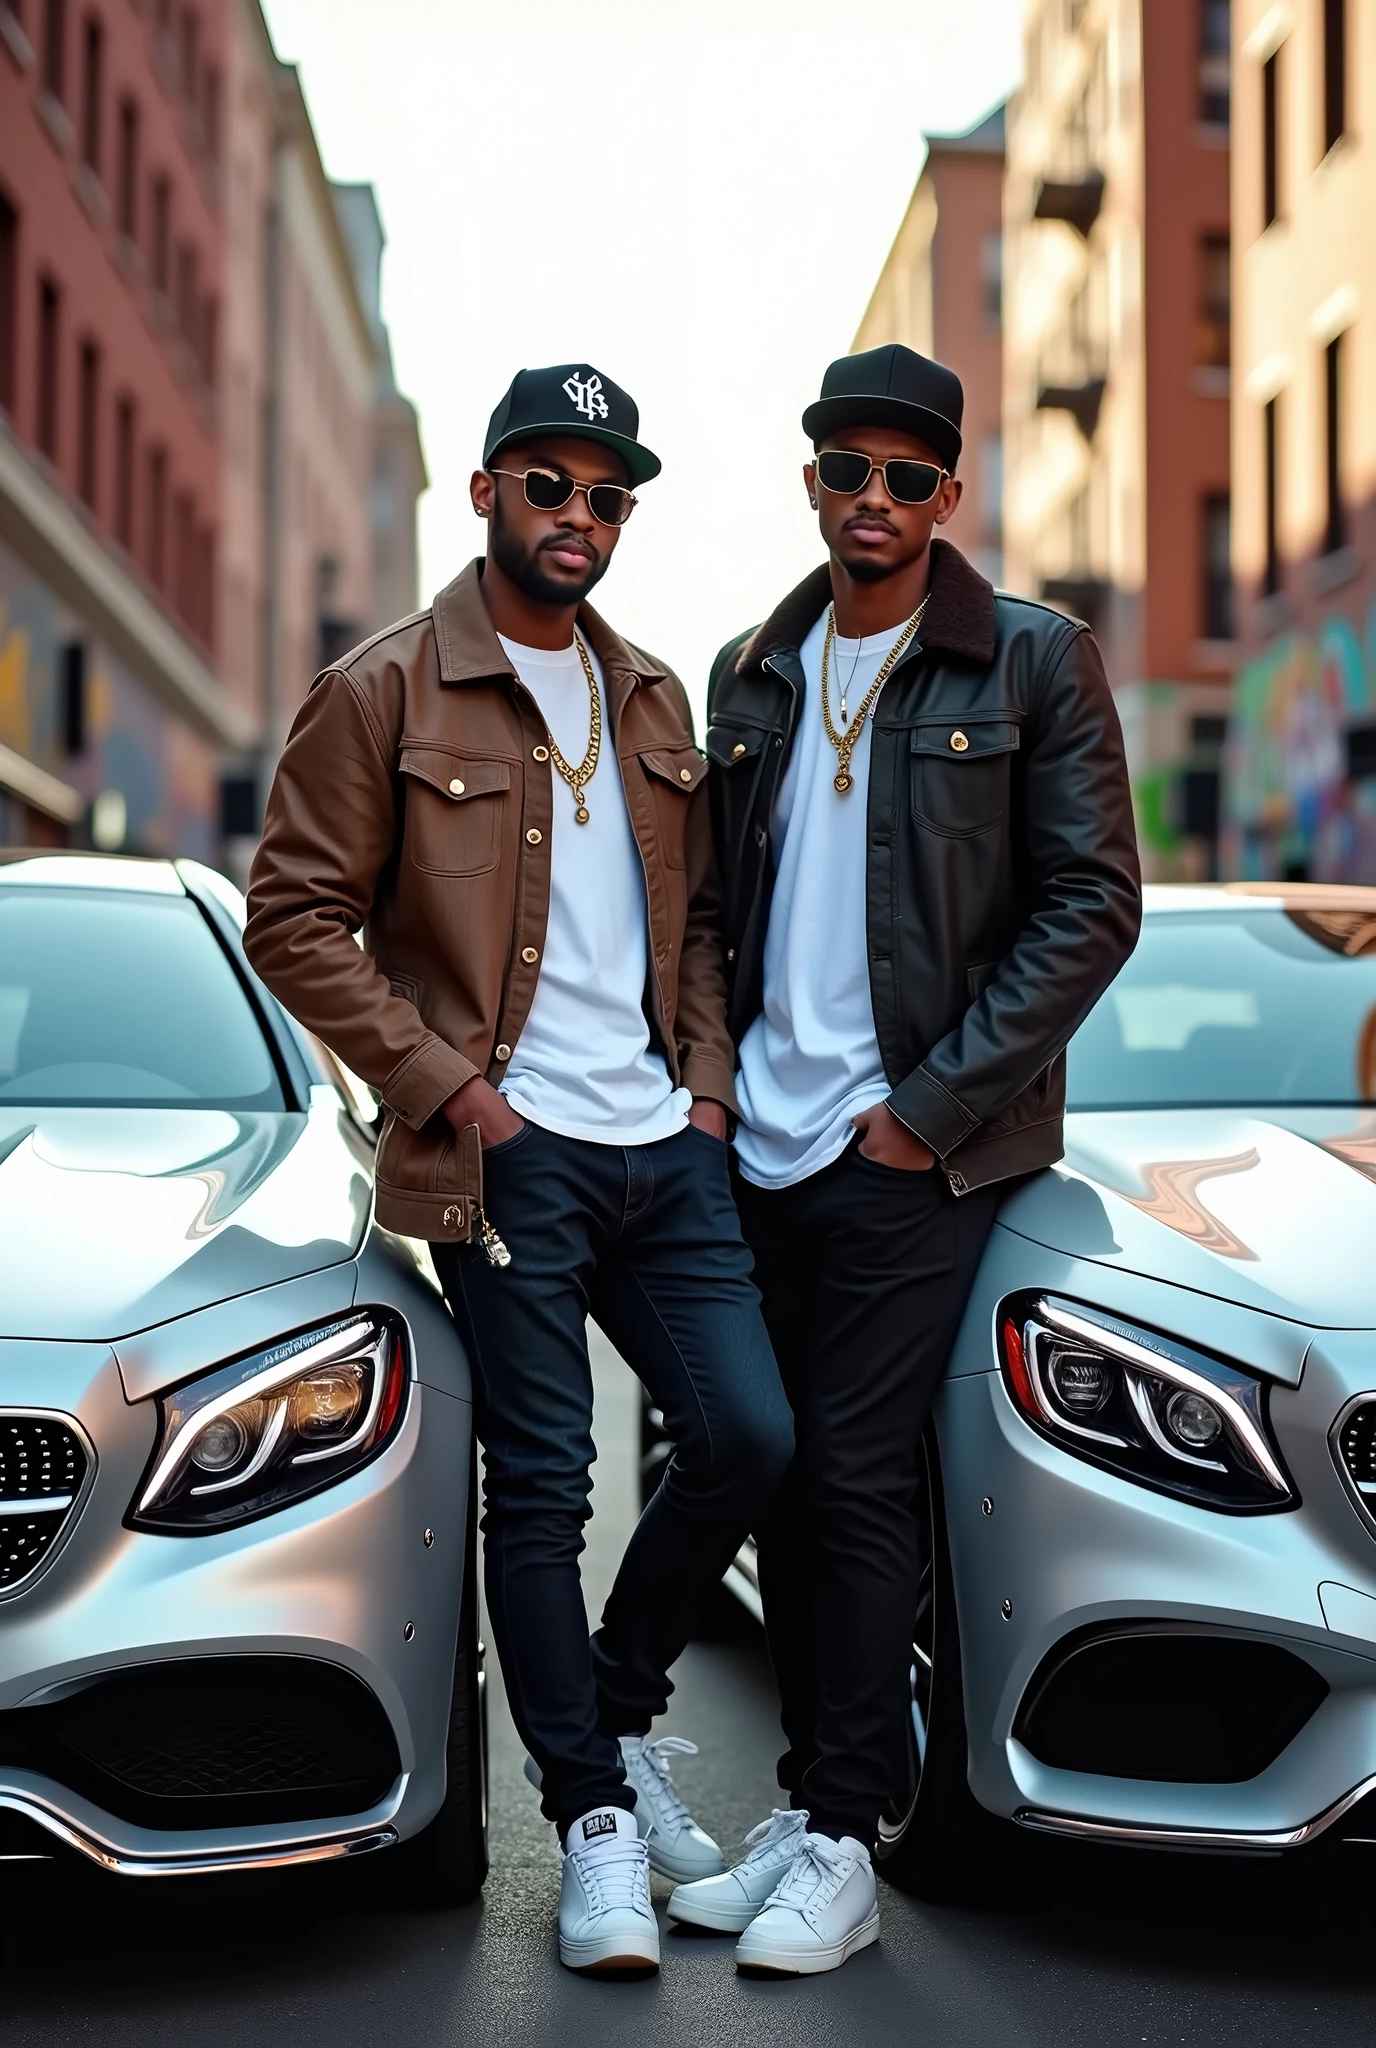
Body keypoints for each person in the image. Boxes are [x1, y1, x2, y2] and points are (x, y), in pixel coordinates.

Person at [244, 362, 792, 1976]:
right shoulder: (385, 690)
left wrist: (701, 1089)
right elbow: (293, 916)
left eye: (608, 495)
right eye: (549, 485)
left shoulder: (651, 699)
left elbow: (691, 923)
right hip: (509, 1161)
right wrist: (444, 1089)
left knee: (751, 1437)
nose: (579, 517)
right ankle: (594, 1825)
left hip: (660, 1148)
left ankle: (612, 1726)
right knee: (544, 1487)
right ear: (487, 492)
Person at [668, 343, 1142, 1975]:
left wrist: (923, 1111)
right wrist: (718, 1098)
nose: (874, 500)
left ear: (952, 494)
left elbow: (1093, 905)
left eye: (907, 476)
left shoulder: (1031, 661)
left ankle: (850, 1839)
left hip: (915, 1154)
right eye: (845, 471)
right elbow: (715, 917)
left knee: (862, 1482)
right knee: (779, 1475)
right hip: (765, 1150)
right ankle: (811, 1809)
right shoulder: (755, 668)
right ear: (810, 482)